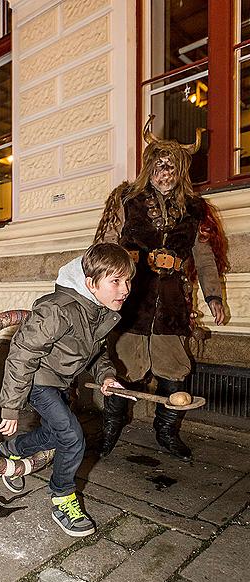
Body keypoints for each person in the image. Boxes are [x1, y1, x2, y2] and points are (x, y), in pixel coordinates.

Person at [94, 115, 228, 461]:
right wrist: (98, 290)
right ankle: (109, 431)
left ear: (181, 171)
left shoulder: (194, 209)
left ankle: (166, 433)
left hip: (172, 305)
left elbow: (204, 256)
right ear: (149, 167)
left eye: (171, 167)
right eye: (159, 165)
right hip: (131, 301)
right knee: (120, 373)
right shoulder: (126, 199)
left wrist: (213, 296)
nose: (164, 173)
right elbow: (105, 246)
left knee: (175, 373)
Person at [0, 242, 135, 537]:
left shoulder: (99, 311)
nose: (126, 289)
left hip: (60, 384)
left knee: (58, 432)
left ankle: (11, 450)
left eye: (128, 280)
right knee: (72, 437)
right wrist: (11, 407)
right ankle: (62, 498)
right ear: (90, 284)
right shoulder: (57, 309)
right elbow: (22, 353)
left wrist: (107, 376)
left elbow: (97, 354)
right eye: (116, 281)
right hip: (37, 380)